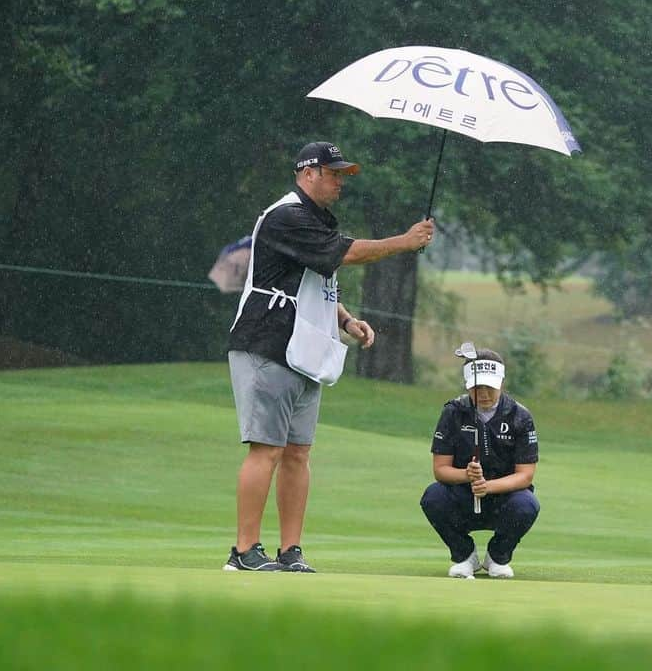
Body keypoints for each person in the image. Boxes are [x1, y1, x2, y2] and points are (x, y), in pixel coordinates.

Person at [224, 141, 435, 572]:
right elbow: (347, 254)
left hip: (306, 347)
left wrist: (345, 319)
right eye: (334, 173)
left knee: (298, 452)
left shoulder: (314, 220)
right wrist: (405, 241)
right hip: (268, 342)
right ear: (309, 173)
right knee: (266, 449)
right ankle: (244, 552)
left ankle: (290, 552)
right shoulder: (287, 215)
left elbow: (312, 280)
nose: (341, 181)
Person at [420, 348, 540, 578]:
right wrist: (467, 475)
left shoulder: (519, 416)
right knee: (433, 496)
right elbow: (440, 470)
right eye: (477, 387)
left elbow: (525, 475)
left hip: (504, 499)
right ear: (467, 384)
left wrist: (488, 486)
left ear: (501, 383)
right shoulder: (453, 413)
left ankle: (497, 557)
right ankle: (464, 555)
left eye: (490, 387)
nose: (483, 393)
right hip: (462, 497)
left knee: (527, 504)